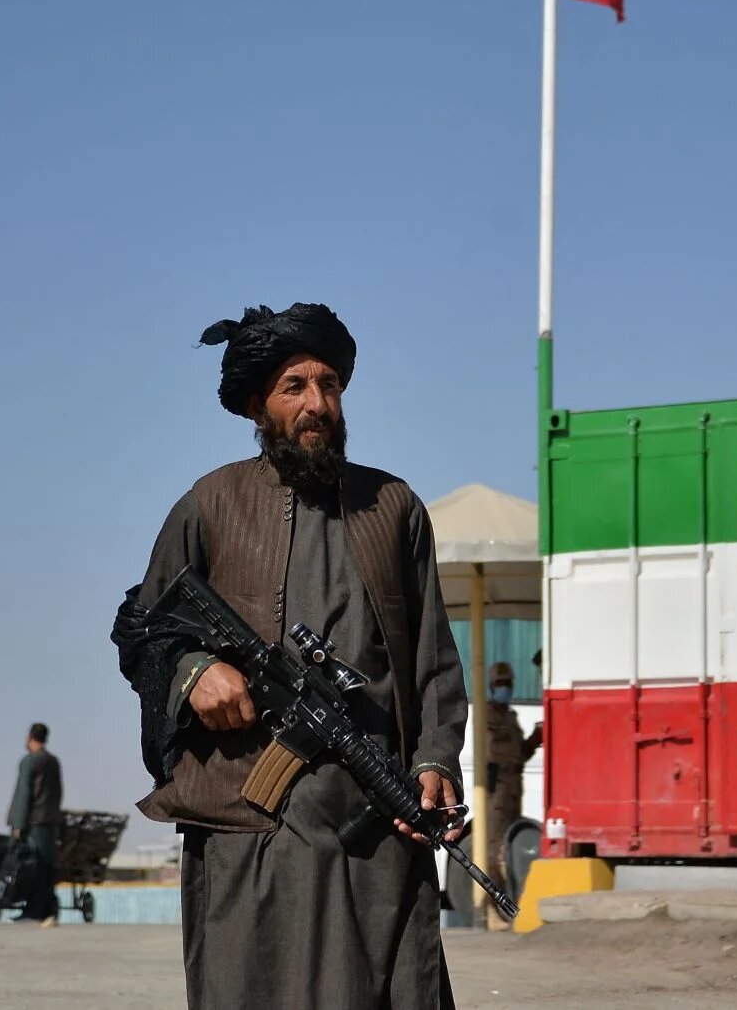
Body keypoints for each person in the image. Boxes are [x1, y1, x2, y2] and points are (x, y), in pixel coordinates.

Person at [113, 302, 469, 1010]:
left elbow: (433, 660)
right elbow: (143, 627)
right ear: (257, 405)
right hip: (249, 826)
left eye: (329, 384)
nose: (317, 404)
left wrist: (433, 761)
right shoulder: (211, 503)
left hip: (370, 824)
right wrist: (193, 671)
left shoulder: (392, 507)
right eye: (294, 387)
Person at [481, 661, 542, 932]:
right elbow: (494, 752)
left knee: (508, 851)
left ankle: (506, 906)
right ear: (491, 686)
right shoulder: (487, 715)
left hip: (513, 790)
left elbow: (519, 754)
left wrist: (534, 739)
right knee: (493, 852)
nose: (504, 689)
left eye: (508, 684)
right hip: (497, 792)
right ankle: (489, 909)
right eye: (500, 684)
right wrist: (517, 754)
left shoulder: (510, 716)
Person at [7, 721, 65, 926]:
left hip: (34, 823)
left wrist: (18, 824)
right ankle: (48, 909)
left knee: (34, 867)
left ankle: (34, 911)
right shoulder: (53, 761)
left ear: (30, 737)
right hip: (50, 821)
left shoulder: (29, 762)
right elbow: (58, 791)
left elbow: (24, 794)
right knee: (47, 867)